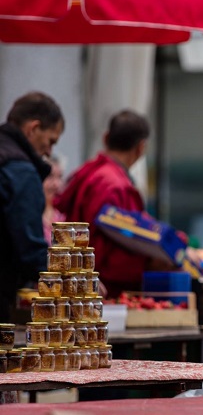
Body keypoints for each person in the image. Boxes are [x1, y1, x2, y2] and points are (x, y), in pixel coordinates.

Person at [55, 109, 150, 299]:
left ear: (105, 138)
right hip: (102, 290)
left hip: (74, 279)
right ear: (141, 148)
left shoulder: (86, 173)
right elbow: (114, 247)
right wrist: (151, 262)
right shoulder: (115, 186)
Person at [0, 91, 64, 321]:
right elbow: (30, 250)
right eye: (51, 141)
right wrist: (75, 278)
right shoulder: (20, 171)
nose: (49, 152)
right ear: (33, 128)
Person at [42, 154, 67, 246]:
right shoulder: (30, 215)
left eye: (60, 177)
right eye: (50, 176)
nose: (57, 184)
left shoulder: (64, 214)